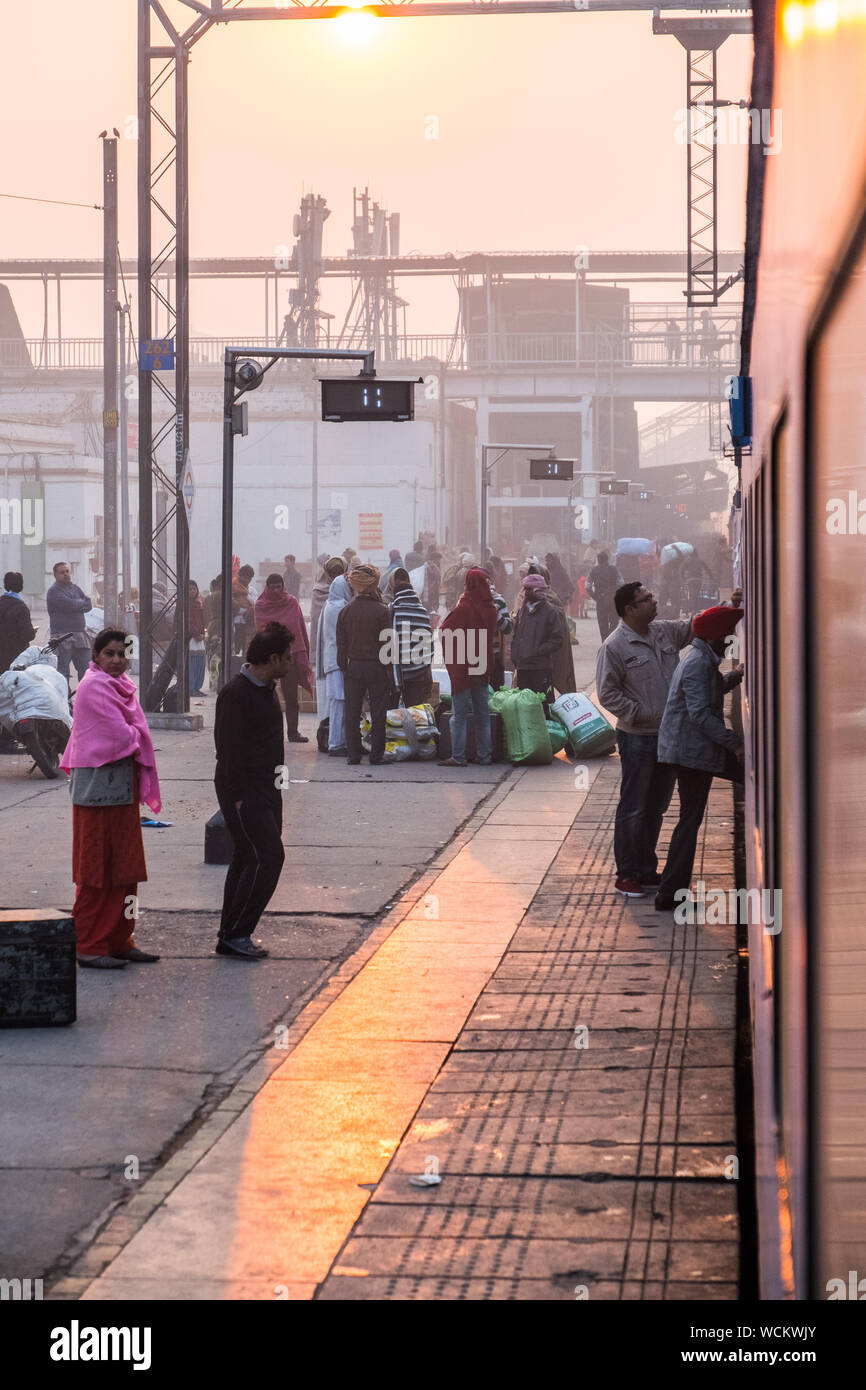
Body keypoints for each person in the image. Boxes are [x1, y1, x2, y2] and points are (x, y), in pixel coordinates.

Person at [59, 628, 162, 969]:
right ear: (96, 658)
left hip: (122, 790)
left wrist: (137, 733)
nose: (117, 660)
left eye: (122, 654)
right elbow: (122, 735)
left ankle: (121, 938)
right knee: (95, 871)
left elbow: (131, 732)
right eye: (110, 654)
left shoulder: (123, 687)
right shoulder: (94, 686)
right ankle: (89, 943)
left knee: (126, 869)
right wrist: (139, 733)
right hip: (97, 794)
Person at [595, 580, 694, 898]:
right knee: (633, 807)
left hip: (667, 738)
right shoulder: (614, 646)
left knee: (655, 808)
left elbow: (696, 626)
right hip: (637, 739)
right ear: (629, 609)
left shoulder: (664, 631)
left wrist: (733, 607)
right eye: (646, 599)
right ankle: (626, 874)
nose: (654, 602)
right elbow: (607, 693)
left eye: (652, 596)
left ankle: (646, 869)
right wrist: (639, 712)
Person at [654, 606, 745, 912]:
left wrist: (736, 676)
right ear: (717, 636)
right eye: (728, 634)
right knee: (689, 820)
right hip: (689, 751)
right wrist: (734, 743)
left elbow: (711, 690)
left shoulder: (701, 658)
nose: (731, 638)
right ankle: (670, 893)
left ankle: (670, 891)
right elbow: (701, 714)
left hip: (689, 748)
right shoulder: (698, 663)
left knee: (689, 820)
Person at [213, 621, 293, 960]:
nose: (291, 663)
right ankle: (238, 932)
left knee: (247, 858)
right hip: (245, 792)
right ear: (273, 658)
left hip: (269, 788)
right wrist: (239, 797)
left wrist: (279, 788)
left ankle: (230, 934)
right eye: (287, 658)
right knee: (268, 857)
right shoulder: (235, 694)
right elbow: (227, 751)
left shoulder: (267, 687)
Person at [438, 567, 498, 768]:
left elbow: (446, 629)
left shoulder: (465, 607)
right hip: (482, 665)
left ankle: (458, 755)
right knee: (482, 714)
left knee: (460, 714)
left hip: (464, 667)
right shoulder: (491, 608)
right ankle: (484, 754)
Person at [336, 564, 393, 766]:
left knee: (352, 712)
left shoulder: (345, 611)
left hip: (354, 667)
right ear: (373, 585)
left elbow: (341, 646)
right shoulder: (382, 611)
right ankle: (376, 756)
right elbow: (388, 645)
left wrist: (345, 668)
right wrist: (389, 671)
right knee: (378, 713)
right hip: (377, 667)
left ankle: (354, 755)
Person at [254, 574, 312, 743]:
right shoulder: (260, 605)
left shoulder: (292, 602)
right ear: (267, 587)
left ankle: (293, 733)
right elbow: (260, 632)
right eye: (272, 587)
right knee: (264, 697)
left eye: (279, 586)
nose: (276, 590)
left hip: (289, 658)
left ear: (283, 586)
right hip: (268, 658)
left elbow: (299, 628)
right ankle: (265, 733)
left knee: (291, 697)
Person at [509, 573, 564, 713]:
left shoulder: (550, 612)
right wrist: (515, 654)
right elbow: (517, 635)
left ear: (536, 591)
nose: (525, 592)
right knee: (525, 708)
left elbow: (557, 639)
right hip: (523, 668)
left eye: (528, 589)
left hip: (541, 669)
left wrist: (539, 650)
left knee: (543, 706)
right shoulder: (523, 611)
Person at [316, 572, 352, 756]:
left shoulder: (329, 605)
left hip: (332, 660)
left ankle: (338, 740)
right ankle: (336, 743)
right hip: (337, 661)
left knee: (338, 702)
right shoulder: (340, 607)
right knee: (339, 702)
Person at [389, 568, 434, 707]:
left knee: (392, 720)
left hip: (395, 675)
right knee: (415, 719)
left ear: (392, 586)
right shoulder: (423, 611)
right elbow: (430, 646)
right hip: (418, 674)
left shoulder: (391, 609)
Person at [46, 561, 92, 690]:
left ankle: (86, 701)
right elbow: (67, 605)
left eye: (67, 571)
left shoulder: (75, 588)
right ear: (55, 575)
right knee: (62, 673)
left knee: (87, 671)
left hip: (81, 636)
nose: (66, 574)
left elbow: (89, 604)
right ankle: (65, 704)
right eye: (62, 572)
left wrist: (77, 604)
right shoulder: (53, 592)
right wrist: (79, 603)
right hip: (62, 637)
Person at [310, 556, 347, 689]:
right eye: (334, 573)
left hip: (333, 652)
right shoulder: (348, 592)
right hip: (328, 652)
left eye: (339, 573)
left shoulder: (348, 591)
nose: (336, 577)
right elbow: (314, 625)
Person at [0, 572, 36, 675]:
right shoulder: (21, 608)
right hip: (15, 656)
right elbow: (27, 635)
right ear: (21, 586)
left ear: (5, 585)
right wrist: (32, 631)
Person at [586, 550, 623, 641]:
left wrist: (595, 596)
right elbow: (621, 583)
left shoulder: (593, 570)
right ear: (607, 560)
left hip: (600, 599)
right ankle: (611, 640)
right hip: (613, 599)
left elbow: (587, 586)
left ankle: (604, 641)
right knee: (614, 621)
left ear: (598, 560)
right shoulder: (614, 569)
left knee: (602, 623)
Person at [188, 581, 206, 696]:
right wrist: (195, 633)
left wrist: (202, 633)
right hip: (189, 638)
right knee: (192, 664)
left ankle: (197, 687)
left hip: (199, 638)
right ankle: (191, 688)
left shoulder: (199, 604)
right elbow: (185, 622)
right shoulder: (184, 604)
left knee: (201, 662)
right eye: (189, 589)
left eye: (194, 589)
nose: (192, 591)